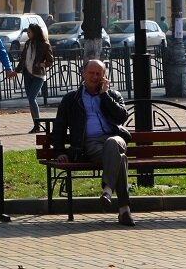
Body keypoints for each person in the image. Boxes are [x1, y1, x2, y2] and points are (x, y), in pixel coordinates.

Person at [50, 59, 135, 227]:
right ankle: (124, 210)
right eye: (91, 73)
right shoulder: (71, 99)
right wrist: (59, 151)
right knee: (121, 158)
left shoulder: (113, 95)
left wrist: (104, 95)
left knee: (113, 143)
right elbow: (59, 127)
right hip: (90, 145)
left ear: (104, 77)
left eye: (99, 74)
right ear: (83, 73)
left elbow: (121, 117)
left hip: (115, 139)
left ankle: (108, 191)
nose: (94, 77)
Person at [18, 23, 54, 133]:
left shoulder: (44, 44)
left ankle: (37, 125)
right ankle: (36, 124)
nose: (28, 34)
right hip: (27, 74)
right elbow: (23, 59)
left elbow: (50, 61)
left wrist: (41, 64)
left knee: (32, 98)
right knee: (30, 99)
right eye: (27, 32)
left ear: (35, 32)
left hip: (38, 75)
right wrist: (15, 71)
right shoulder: (28, 43)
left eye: (29, 32)